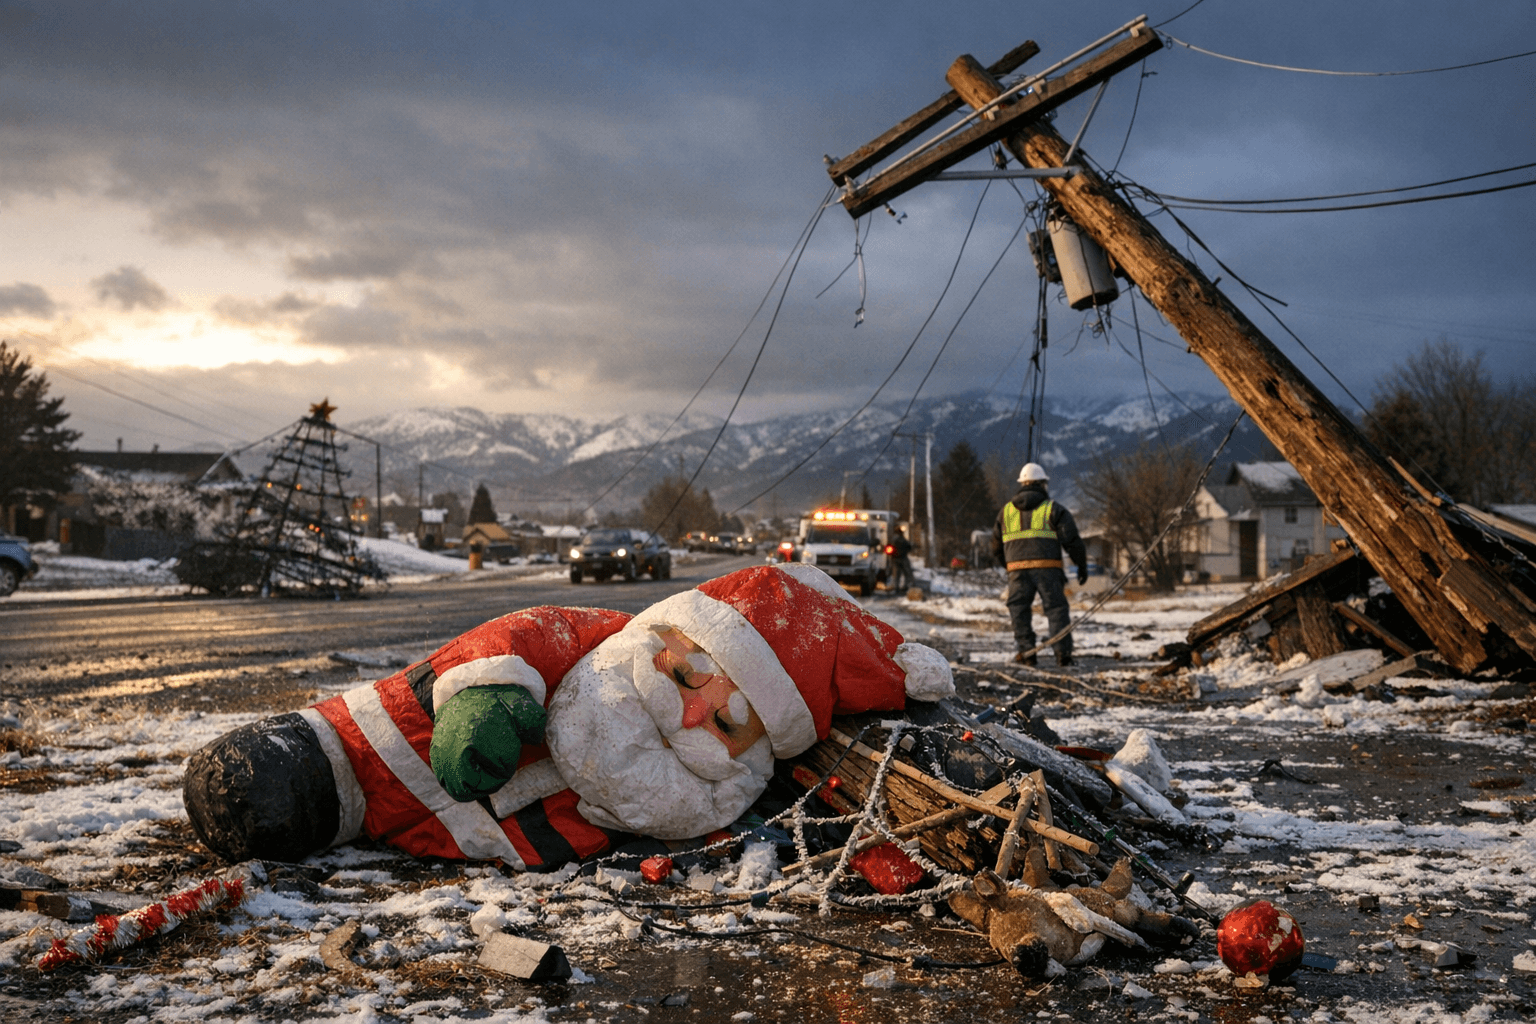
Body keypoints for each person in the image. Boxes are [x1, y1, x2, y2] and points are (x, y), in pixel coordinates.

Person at [182, 564, 954, 868]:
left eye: (722, 725)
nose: (686, 714)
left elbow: (743, 825)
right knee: (271, 782)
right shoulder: (606, 648)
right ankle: (301, 758)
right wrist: (484, 696)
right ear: (667, 638)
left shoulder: (719, 790)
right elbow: (526, 633)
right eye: (686, 674)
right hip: (375, 750)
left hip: (433, 837)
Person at [992, 462, 1088, 668]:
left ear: (1022, 484)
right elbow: (1072, 540)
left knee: (1018, 610)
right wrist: (1082, 565)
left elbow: (995, 548)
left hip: (1016, 570)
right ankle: (1063, 656)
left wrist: (1009, 565)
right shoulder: (1054, 509)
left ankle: (1027, 654)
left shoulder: (1005, 512)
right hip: (1048, 568)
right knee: (1055, 609)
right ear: (1043, 484)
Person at [888, 525, 915, 594]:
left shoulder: (893, 539)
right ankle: (905, 586)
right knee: (907, 573)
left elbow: (889, 549)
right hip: (902, 558)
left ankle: (898, 587)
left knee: (897, 574)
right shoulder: (901, 539)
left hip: (896, 559)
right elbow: (909, 547)